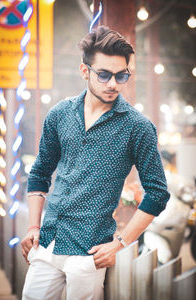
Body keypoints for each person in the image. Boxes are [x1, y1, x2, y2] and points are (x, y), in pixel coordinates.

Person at [21, 26, 170, 300]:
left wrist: (121, 244)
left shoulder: (138, 127)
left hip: (90, 252)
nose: (113, 83)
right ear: (84, 70)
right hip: (48, 239)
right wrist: (33, 226)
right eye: (104, 74)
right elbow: (40, 173)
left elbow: (158, 193)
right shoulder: (59, 114)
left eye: (121, 75)